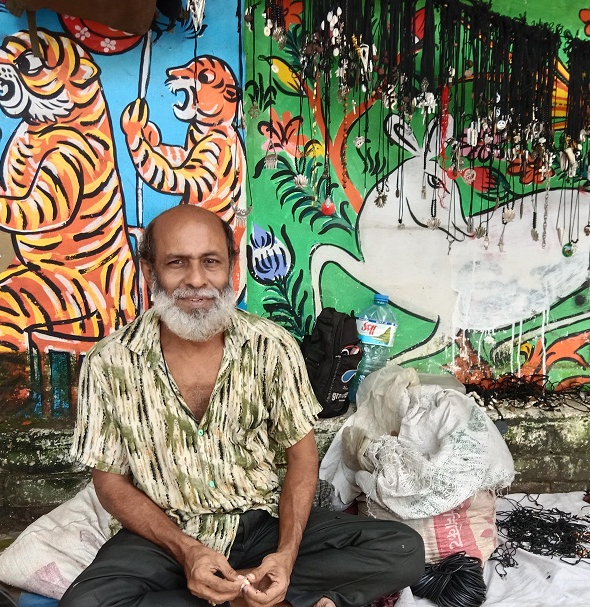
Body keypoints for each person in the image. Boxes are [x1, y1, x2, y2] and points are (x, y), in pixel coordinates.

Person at [60, 205, 425, 607]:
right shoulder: (109, 361)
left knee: (403, 548)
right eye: (177, 263)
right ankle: (258, 600)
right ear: (150, 271)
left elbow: (302, 459)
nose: (196, 280)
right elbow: (109, 480)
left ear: (231, 267)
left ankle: (240, 592)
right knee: (86, 602)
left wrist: (285, 555)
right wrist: (186, 551)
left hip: (260, 525)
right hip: (165, 535)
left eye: (210, 262)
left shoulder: (272, 346)